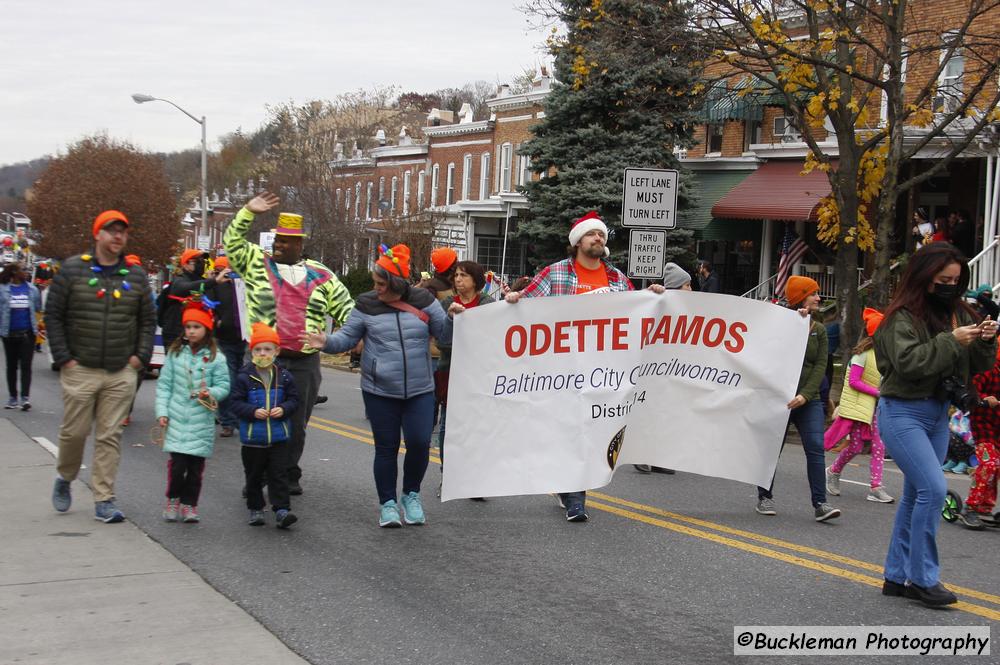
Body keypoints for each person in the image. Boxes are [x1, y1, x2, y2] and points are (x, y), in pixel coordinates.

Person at [504, 211, 666, 521]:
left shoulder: (617, 278)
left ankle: (570, 489)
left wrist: (652, 296)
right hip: (562, 370)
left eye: (602, 235)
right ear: (578, 240)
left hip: (604, 371)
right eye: (592, 234)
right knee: (570, 430)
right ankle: (575, 496)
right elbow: (525, 304)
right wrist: (513, 299)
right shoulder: (555, 274)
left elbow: (637, 311)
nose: (598, 239)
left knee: (589, 430)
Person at [874, 242, 997, 607]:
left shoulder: (960, 313)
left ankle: (896, 576)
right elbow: (910, 363)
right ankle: (923, 579)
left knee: (916, 495)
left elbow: (976, 367)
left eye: (956, 280)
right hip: (902, 412)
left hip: (938, 414)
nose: (950, 286)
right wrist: (951, 340)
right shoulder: (901, 317)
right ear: (925, 276)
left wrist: (984, 341)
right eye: (943, 279)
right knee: (933, 489)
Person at [304, 244, 452, 528]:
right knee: (386, 447)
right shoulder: (366, 304)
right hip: (380, 391)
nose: (377, 288)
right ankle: (387, 504)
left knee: (420, 443)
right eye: (375, 283)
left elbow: (444, 335)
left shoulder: (423, 301)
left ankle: (411, 495)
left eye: (381, 283)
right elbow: (347, 337)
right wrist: (326, 342)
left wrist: (452, 318)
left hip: (420, 389)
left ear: (396, 283)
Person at [224, 191, 354, 495]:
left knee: (295, 425)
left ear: (299, 244)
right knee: (257, 421)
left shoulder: (321, 275)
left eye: (285, 241)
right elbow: (232, 244)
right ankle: (257, 477)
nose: (278, 245)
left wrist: (336, 340)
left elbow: (350, 313)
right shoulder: (257, 263)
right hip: (263, 359)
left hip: (304, 363)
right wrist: (248, 212)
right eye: (277, 239)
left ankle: (286, 473)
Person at [45, 210, 156, 523]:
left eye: (122, 231)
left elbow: (147, 320)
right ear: (97, 234)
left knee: (109, 436)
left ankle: (104, 498)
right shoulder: (72, 270)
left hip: (120, 371)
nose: (117, 236)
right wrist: (64, 356)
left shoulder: (135, 277)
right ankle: (65, 476)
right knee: (75, 432)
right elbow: (53, 315)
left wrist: (139, 358)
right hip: (80, 368)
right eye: (111, 231)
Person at [755, 276, 841, 522]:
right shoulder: (779, 326)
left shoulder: (820, 330)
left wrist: (806, 395)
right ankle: (764, 496)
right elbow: (769, 357)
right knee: (772, 450)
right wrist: (795, 325)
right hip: (780, 400)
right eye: (813, 293)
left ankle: (820, 503)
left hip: (809, 400)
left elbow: (821, 366)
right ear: (800, 297)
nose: (818, 298)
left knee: (815, 448)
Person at [155, 300, 230, 523]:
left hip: (201, 421)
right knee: (177, 467)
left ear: (207, 329)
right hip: (177, 419)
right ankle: (172, 499)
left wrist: (211, 392)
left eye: (196, 327)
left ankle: (190, 505)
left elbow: (224, 386)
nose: (191, 331)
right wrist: (162, 412)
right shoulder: (175, 354)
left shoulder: (217, 358)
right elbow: (164, 385)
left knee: (195, 469)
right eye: (188, 327)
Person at [230, 323, 301, 528]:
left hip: (278, 437)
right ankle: (256, 508)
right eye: (258, 349)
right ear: (251, 352)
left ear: (277, 351)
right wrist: (252, 411)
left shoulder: (284, 376)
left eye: (268, 349)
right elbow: (235, 403)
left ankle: (282, 510)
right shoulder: (244, 377)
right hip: (253, 439)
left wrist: (284, 409)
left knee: (279, 474)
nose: (263, 353)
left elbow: (295, 400)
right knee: (253, 475)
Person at [823, 308, 894, 504]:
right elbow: (854, 381)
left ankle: (876, 487)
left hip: (875, 407)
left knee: (879, 445)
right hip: (859, 407)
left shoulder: (886, 355)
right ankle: (834, 471)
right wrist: (878, 392)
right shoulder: (862, 355)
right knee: (855, 447)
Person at [436, 260, 495, 467]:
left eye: (464, 275)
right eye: (456, 275)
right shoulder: (446, 304)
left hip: (479, 374)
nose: (458, 279)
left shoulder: (487, 303)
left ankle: (474, 475)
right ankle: (448, 471)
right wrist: (452, 319)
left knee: (478, 426)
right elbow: (442, 342)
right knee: (448, 425)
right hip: (450, 371)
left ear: (475, 280)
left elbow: (492, 338)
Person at [633, 262, 689, 475]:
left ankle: (658, 459)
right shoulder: (659, 304)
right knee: (651, 412)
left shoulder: (685, 307)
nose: (690, 290)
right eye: (687, 285)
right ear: (676, 287)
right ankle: (641, 455)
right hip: (654, 367)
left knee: (666, 414)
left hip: (673, 368)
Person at [959, 346, 1000, 529]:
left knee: (996, 467)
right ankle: (971, 507)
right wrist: (985, 399)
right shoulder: (989, 368)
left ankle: (985, 507)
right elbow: (971, 392)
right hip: (984, 426)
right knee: (989, 464)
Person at [211, 256, 247, 437]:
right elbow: (208, 304)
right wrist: (216, 320)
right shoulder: (219, 284)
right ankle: (228, 420)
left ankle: (243, 418)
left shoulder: (249, 283)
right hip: (225, 339)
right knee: (229, 382)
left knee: (245, 383)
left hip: (247, 340)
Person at [0, 263, 42, 410]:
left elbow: (37, 308)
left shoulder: (32, 289)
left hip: (27, 334)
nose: (26, 272)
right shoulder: (2, 289)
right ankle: (12, 397)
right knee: (11, 366)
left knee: (26, 365)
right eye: (23, 270)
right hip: (8, 333)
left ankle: (25, 398)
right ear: (14, 272)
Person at [160, 249, 220, 349]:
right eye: (196, 261)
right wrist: (212, 282)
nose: (200, 264)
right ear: (185, 265)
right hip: (176, 335)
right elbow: (186, 288)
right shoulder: (179, 280)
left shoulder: (203, 281)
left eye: (202, 260)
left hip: (198, 336)